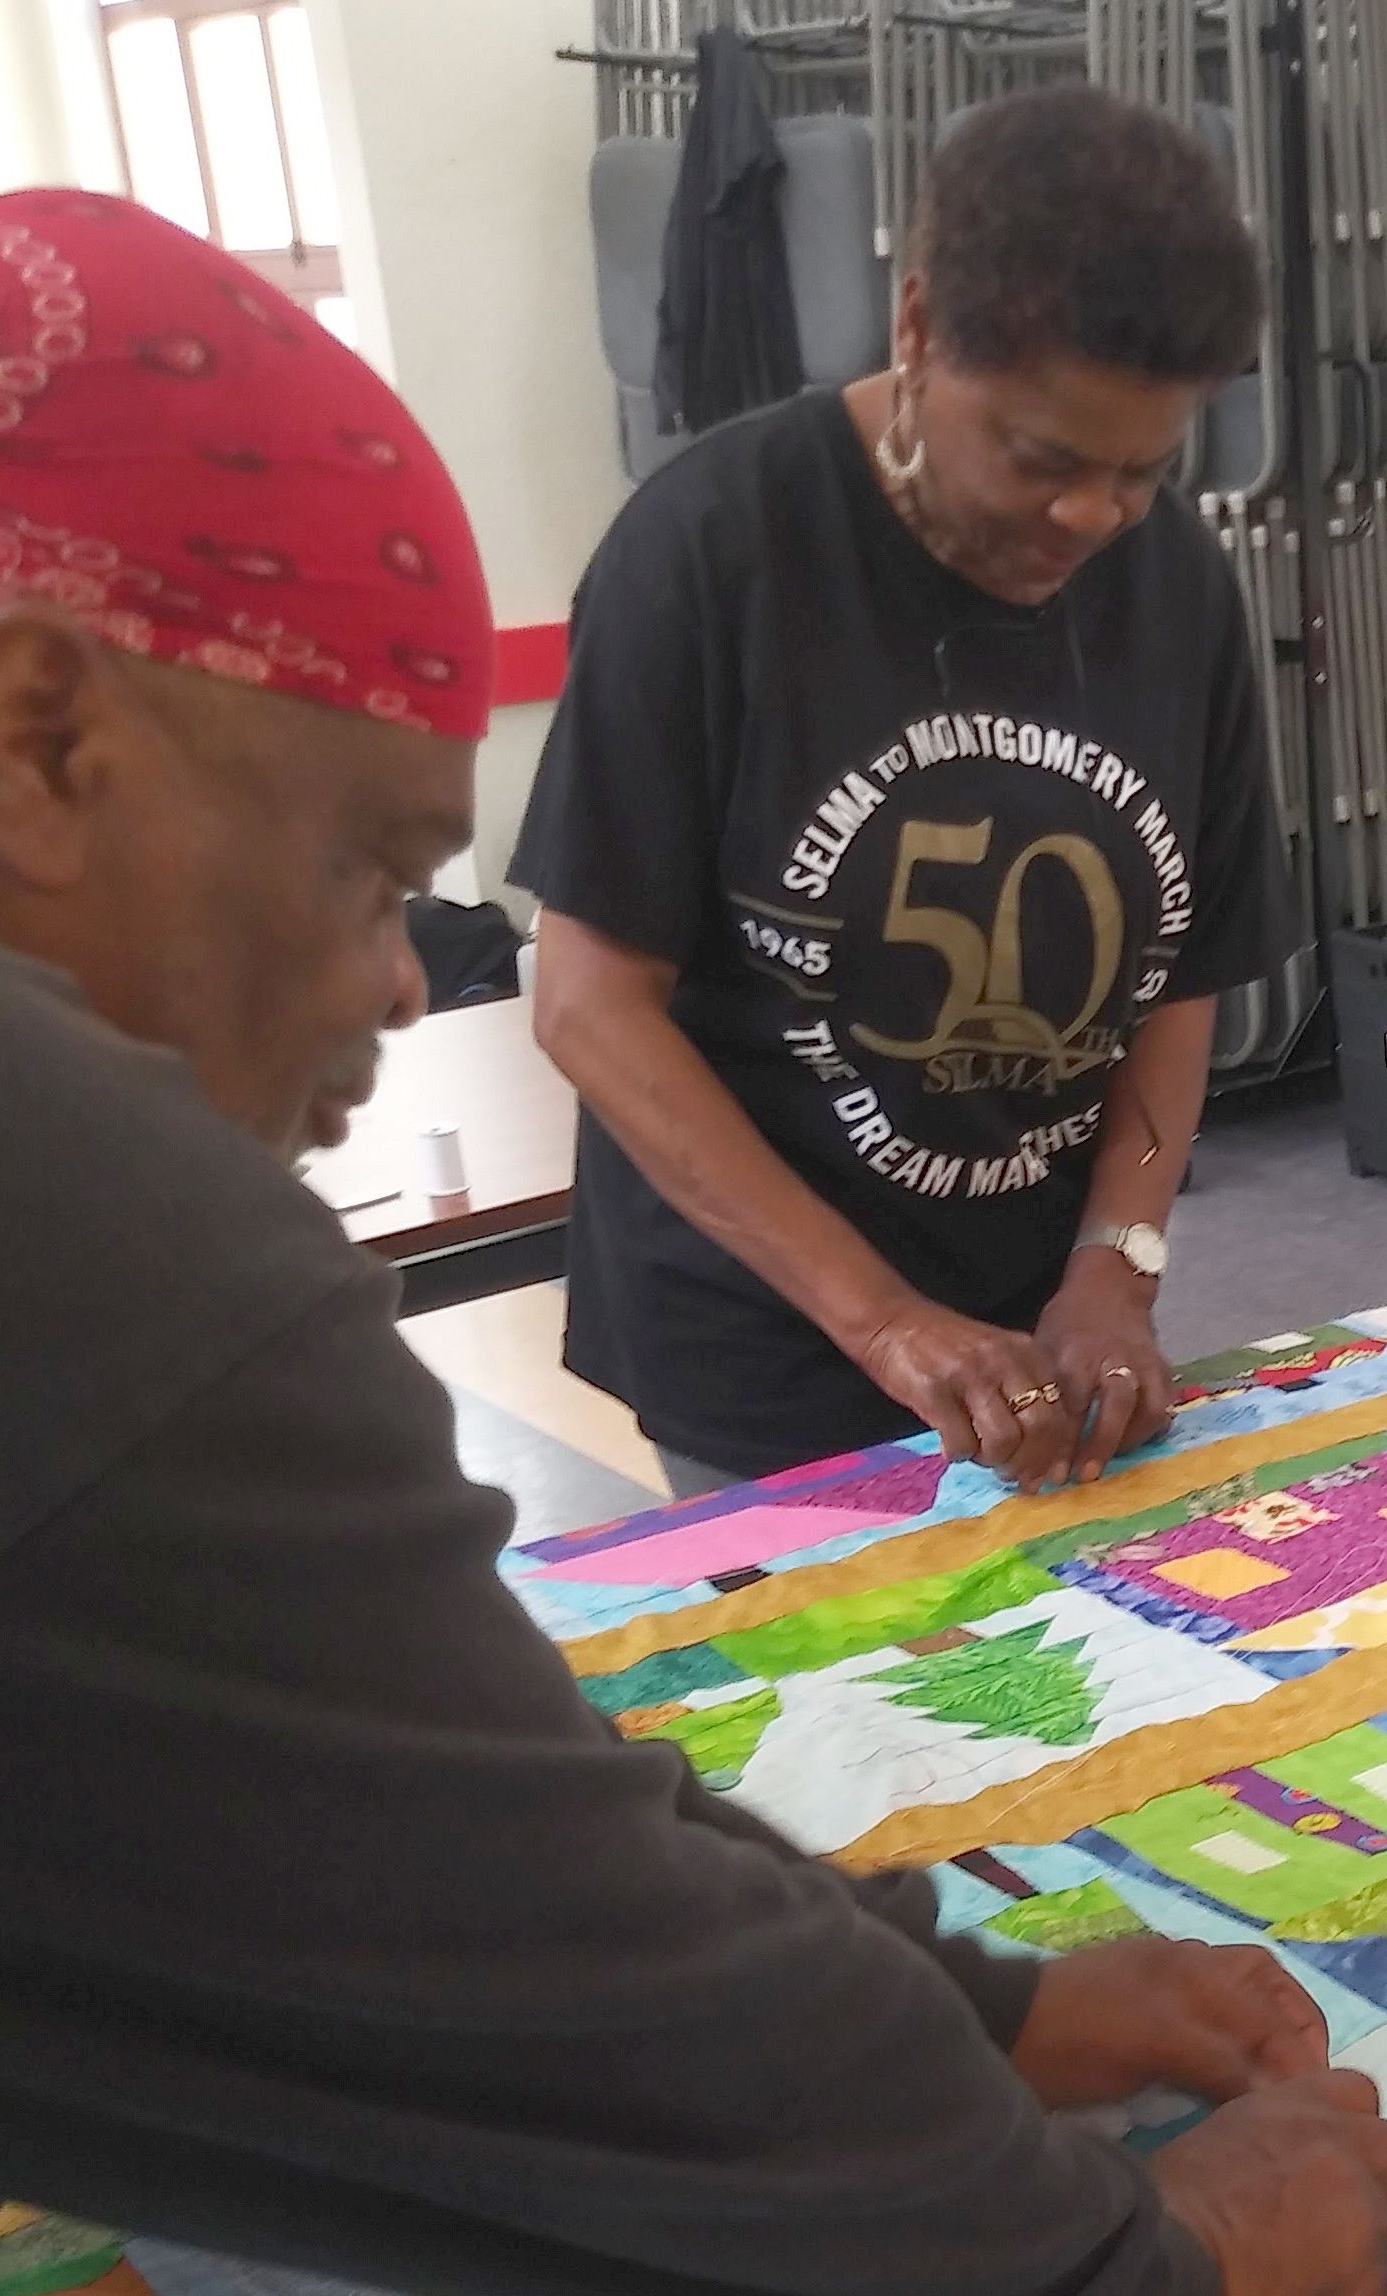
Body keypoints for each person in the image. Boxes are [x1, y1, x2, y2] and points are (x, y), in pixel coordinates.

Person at [0, 192, 1387, 2296]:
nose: (392, 981)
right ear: (40, 735)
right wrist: (1138, 2284)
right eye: (374, 873)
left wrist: (973, 2005)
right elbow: (530, 1959)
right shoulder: (83, 1223)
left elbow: (444, 1811)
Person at [517, 85, 1290, 1497]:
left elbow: (1181, 977)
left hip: (1038, 1318)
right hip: (758, 1335)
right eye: (1043, 459)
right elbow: (585, 1002)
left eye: (1142, 469)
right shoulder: (710, 551)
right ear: (919, 328)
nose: (1090, 517)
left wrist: (1116, 1268)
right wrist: (883, 1323)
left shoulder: (1171, 577)